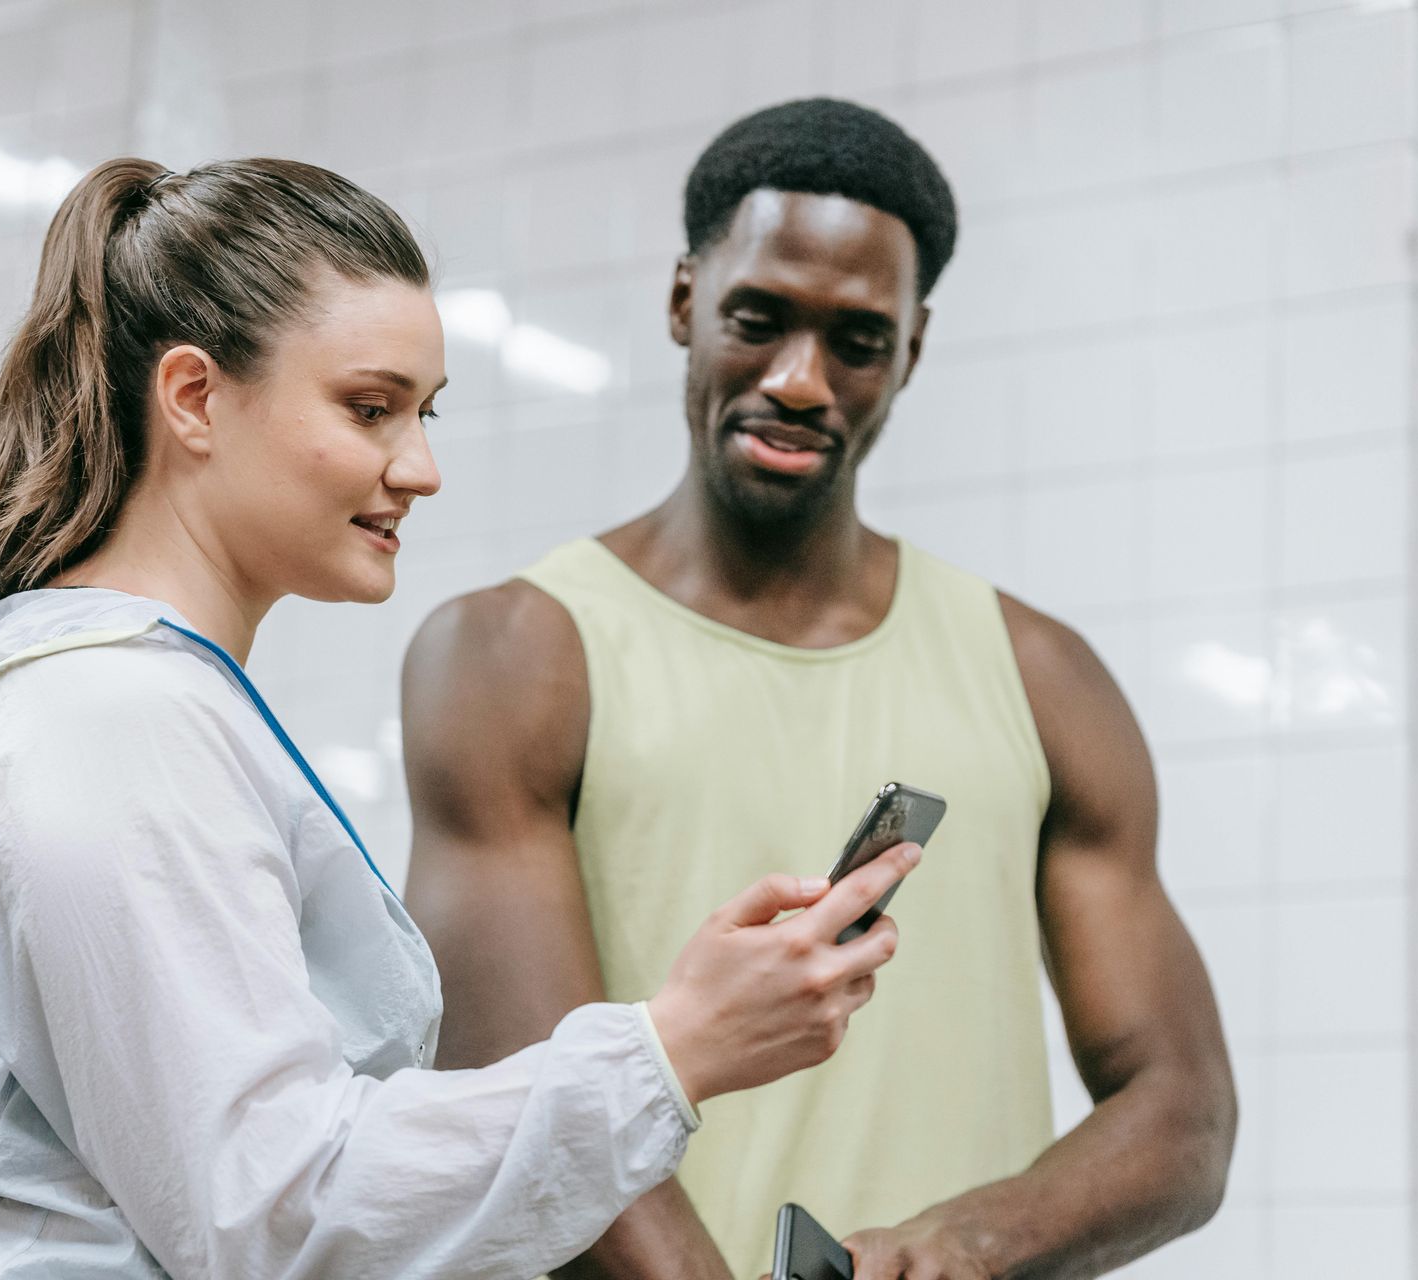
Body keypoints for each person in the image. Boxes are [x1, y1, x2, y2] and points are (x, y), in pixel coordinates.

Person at [0, 155, 918, 1280]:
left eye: (424, 411)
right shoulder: (108, 719)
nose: (423, 466)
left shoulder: (146, 703)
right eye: (371, 408)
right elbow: (271, 1206)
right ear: (196, 398)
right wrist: (672, 1045)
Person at [402, 99, 1238, 1280]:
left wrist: (972, 1238)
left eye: (856, 340)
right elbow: (526, 1106)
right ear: (687, 299)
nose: (799, 380)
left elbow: (1182, 1109)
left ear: (912, 350)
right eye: (759, 318)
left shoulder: (1041, 673)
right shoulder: (513, 652)